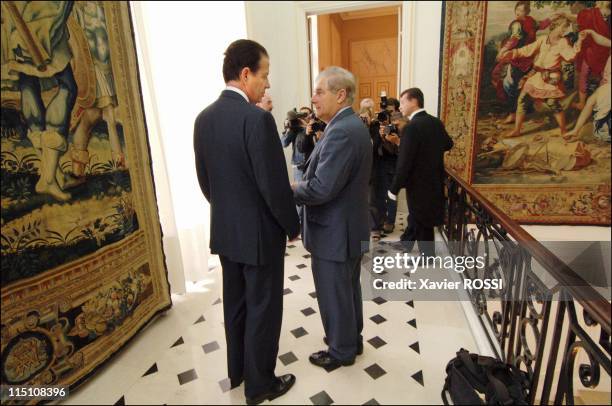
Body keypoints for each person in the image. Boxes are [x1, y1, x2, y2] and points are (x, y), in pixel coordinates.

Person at [193, 39, 300, 405]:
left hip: (226, 233)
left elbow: (205, 182)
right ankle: (261, 385)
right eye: (264, 76)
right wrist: (292, 226)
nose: (267, 85)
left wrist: (230, 212)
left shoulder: (203, 118)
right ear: (245, 74)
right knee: (263, 309)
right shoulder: (257, 119)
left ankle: (237, 372)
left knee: (236, 306)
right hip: (259, 237)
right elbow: (273, 186)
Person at [292, 66, 372, 369]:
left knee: (334, 294)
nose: (313, 98)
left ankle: (340, 351)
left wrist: (292, 188)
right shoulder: (349, 125)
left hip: (335, 232)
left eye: (319, 91)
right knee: (347, 290)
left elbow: (322, 188)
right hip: (348, 228)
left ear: (341, 95)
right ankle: (352, 340)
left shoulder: (341, 131)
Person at [389, 88, 453, 257]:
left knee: (422, 218)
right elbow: (448, 144)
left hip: (418, 183)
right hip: (435, 179)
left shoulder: (412, 127)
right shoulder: (436, 122)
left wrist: (394, 188)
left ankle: (427, 256)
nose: (400, 107)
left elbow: (404, 162)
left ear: (413, 101)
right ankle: (406, 243)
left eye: (402, 102)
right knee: (419, 215)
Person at [499, 15, 587, 138]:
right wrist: (513, 53)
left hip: (551, 77)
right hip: (537, 75)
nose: (565, 30)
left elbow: (570, 56)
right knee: (522, 99)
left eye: (566, 28)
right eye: (563, 27)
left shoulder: (563, 42)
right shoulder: (543, 39)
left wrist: (580, 41)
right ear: (555, 26)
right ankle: (517, 130)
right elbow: (528, 49)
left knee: (553, 103)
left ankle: (563, 131)